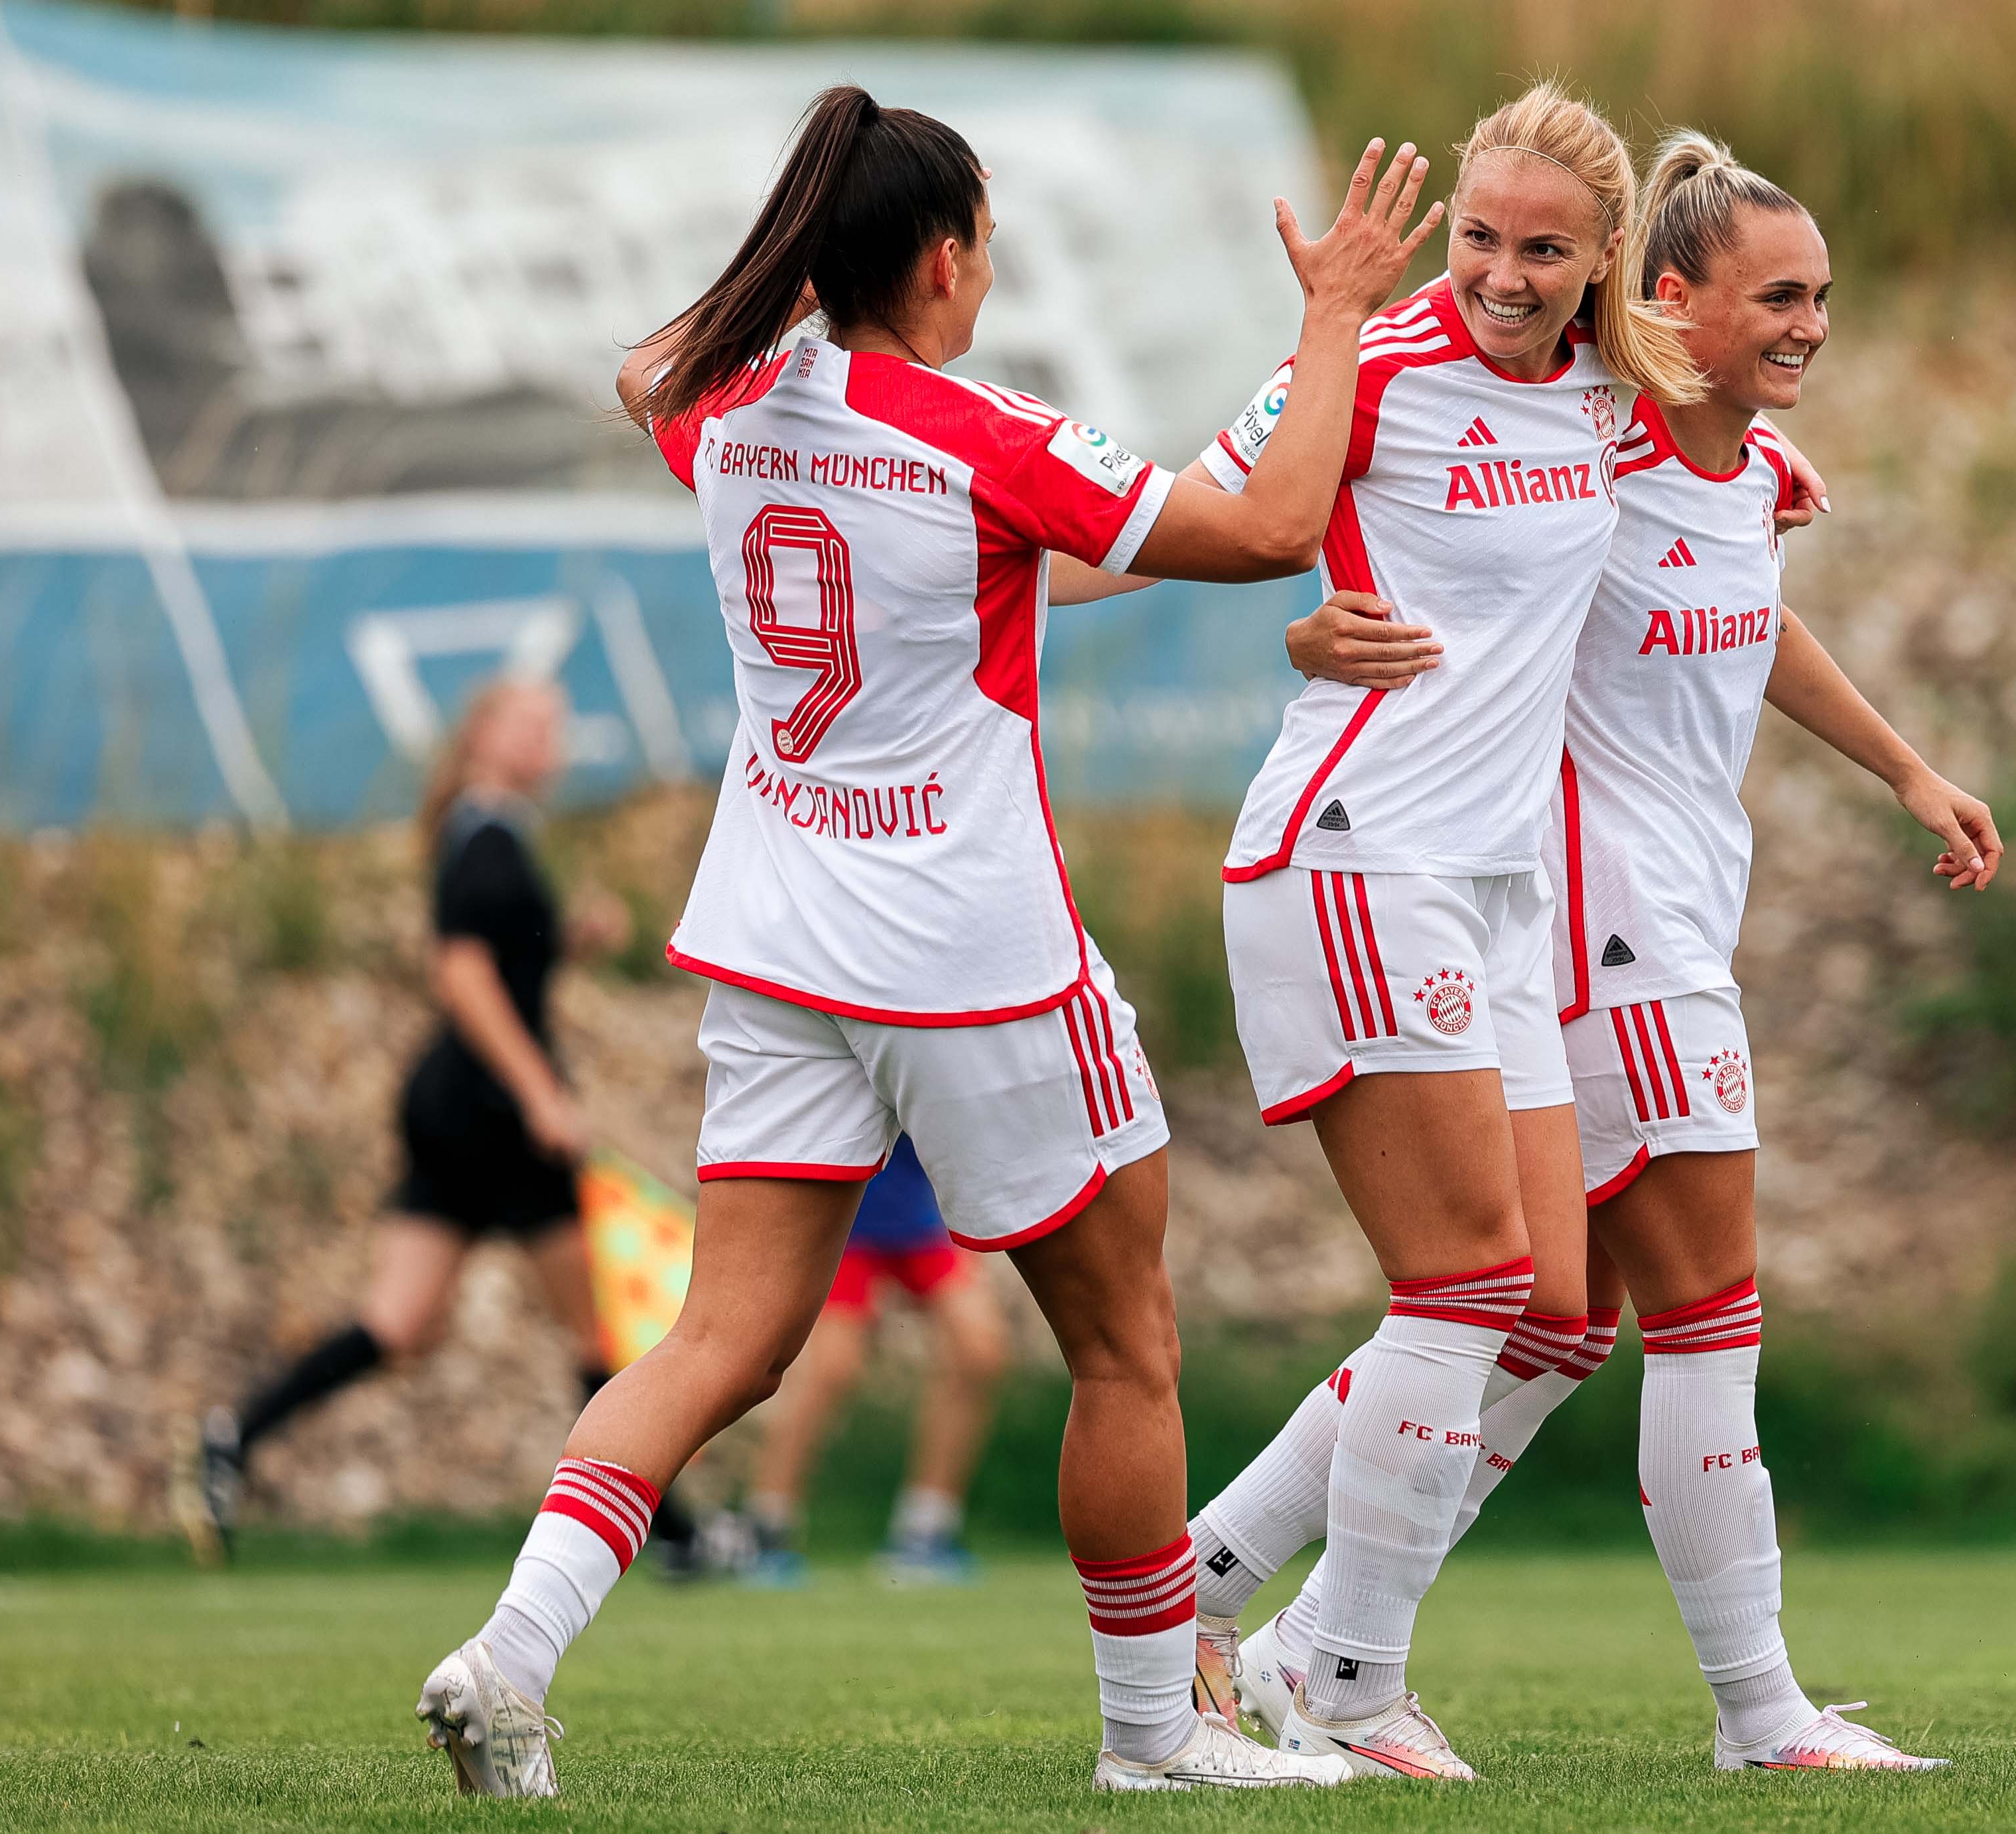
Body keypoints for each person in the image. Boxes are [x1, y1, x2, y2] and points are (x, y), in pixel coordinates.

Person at [407, 86, 1438, 1798]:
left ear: (814, 255)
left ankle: (505, 1654)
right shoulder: (986, 434)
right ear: (949, 259)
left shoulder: (728, 409)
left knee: (717, 1342)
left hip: (774, 938)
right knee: (1123, 1342)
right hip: (971, 953)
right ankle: (1154, 1736)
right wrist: (1331, 314)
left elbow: (645, 366)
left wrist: (788, 271)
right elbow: (1260, 533)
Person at [1246, 130, 1997, 1774]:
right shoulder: (1598, 432)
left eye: (1819, 297)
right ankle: (1757, 1712)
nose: (1807, 325)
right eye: (1776, 298)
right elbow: (1356, 526)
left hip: (1632, 920)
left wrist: (1905, 769)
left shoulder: (1743, 476)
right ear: (1670, 302)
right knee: (1693, 1314)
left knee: (1551, 1320)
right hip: (1596, 921)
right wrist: (1303, 622)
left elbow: (1751, 616)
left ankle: (1262, 1608)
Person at [1158, 80, 1763, 1783]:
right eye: (1482, 239)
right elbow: (1162, 534)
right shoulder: (1382, 358)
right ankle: (1334, 1675)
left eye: (1543, 249)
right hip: (1360, 852)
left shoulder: (1608, 399)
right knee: (1471, 1283)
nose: (1503, 274)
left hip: (1502, 891)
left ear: (1603, 264)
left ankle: (1206, 1595)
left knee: (1558, 1312)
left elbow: (1728, 482)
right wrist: (1286, 638)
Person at [173, 679, 702, 1568]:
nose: (552, 742)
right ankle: (678, 1535)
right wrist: (541, 1092)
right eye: (534, 725)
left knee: (399, 1323)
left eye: (556, 727)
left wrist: (565, 939)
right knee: (595, 1329)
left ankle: (230, 1438)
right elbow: (459, 974)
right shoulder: (487, 835)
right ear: (484, 734)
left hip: (450, 1109)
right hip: (498, 1114)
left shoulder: (483, 831)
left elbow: (492, 951)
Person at [740, 1134, 1010, 1587]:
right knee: (831, 1371)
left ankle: (926, 1532)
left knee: (980, 1351)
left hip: (922, 1218)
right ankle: (767, 1528)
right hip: (847, 1220)